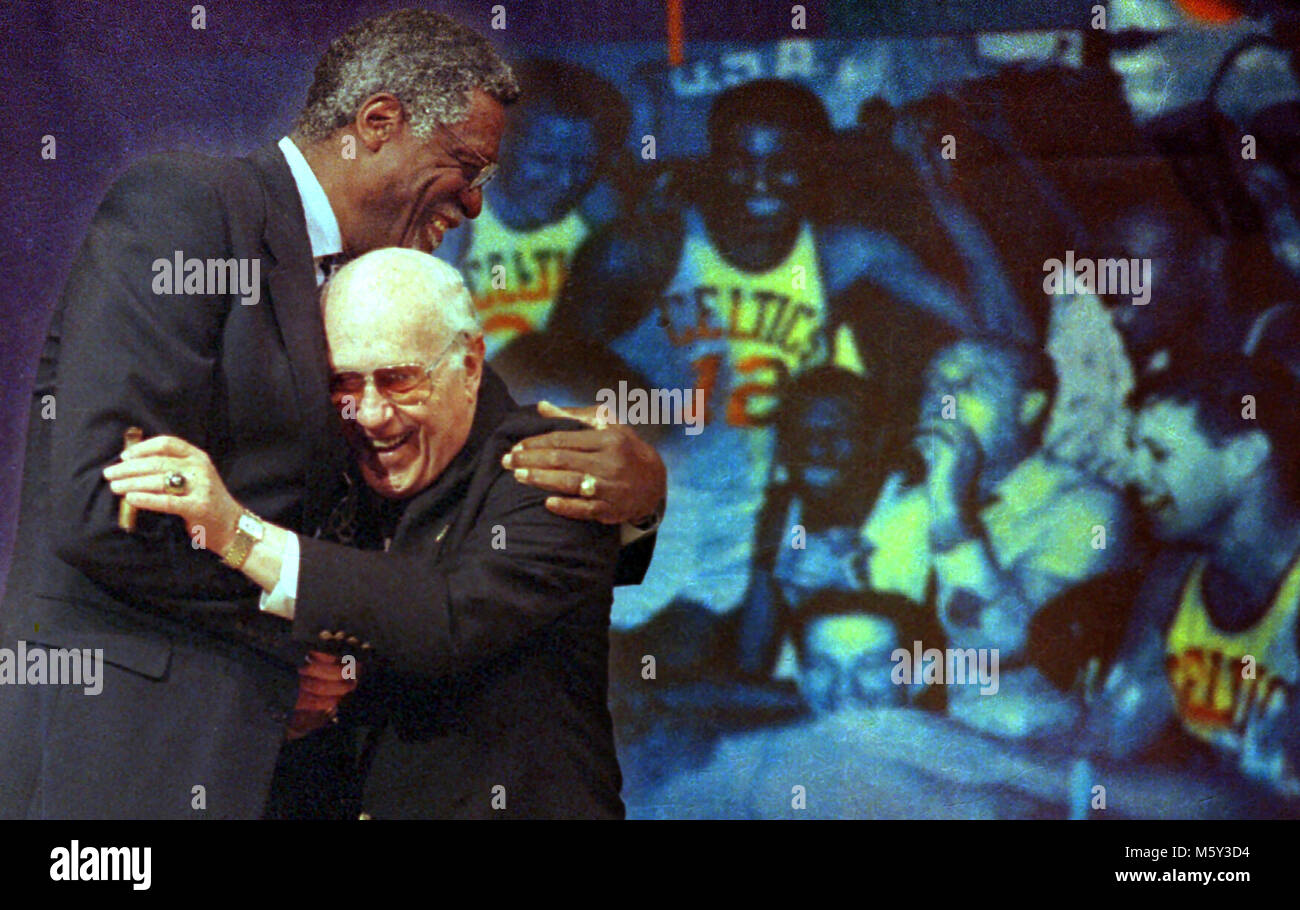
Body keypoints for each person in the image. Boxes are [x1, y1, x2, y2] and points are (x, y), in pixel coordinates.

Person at [0, 8, 664, 820]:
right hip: (141, 759)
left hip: (295, 778)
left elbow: (489, 476)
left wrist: (634, 500)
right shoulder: (193, 211)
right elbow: (108, 508)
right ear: (377, 123)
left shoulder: (388, 292)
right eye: (464, 165)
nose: (478, 204)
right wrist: (296, 650)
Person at [108, 250, 626, 818]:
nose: (372, 414)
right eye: (346, 384)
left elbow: (446, 615)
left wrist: (238, 533)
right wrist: (294, 705)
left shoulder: (552, 464)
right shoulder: (335, 478)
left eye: (400, 380)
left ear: (471, 364)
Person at [544, 79, 978, 629]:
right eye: (740, 160)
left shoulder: (842, 253)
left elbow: (994, 332)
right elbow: (545, 381)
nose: (761, 181)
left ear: (816, 166)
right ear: (713, 160)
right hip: (647, 503)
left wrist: (947, 197)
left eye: (786, 162)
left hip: (762, 520)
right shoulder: (641, 249)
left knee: (716, 670)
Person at [855, 337, 1131, 739]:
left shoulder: (1090, 510)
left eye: (968, 385)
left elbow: (1007, 642)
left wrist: (950, 511)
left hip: (1015, 758)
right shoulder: (911, 502)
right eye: (932, 385)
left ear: (1028, 407)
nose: (940, 401)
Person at [1084, 354, 1300, 803]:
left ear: (1246, 457)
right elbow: (1110, 738)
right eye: (1134, 453)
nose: (1133, 474)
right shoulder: (1177, 572)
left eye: (1159, 454)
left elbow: (1271, 799)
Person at [437, 59, 631, 358]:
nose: (567, 181)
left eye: (583, 164)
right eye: (545, 160)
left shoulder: (596, 215)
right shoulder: (452, 220)